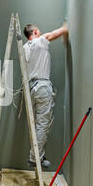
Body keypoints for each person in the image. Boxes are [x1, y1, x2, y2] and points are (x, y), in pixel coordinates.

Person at [23, 22, 68, 168]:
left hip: (31, 88)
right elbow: (53, 34)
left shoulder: (24, 48)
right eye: (39, 31)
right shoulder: (40, 41)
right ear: (35, 32)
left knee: (36, 124)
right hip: (42, 87)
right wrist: (66, 27)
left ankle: (36, 154)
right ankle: (35, 157)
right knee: (43, 124)